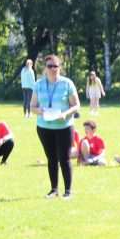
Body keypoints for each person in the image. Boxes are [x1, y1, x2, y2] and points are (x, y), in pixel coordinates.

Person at [30, 54, 80, 198]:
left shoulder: (67, 83)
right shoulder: (38, 84)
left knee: (64, 158)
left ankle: (68, 191)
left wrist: (65, 114)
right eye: (50, 66)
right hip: (44, 128)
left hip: (64, 127)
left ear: (60, 67)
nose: (53, 69)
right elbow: (32, 106)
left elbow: (76, 105)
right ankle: (54, 190)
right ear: (45, 68)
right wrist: (39, 111)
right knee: (51, 158)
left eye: (55, 66)